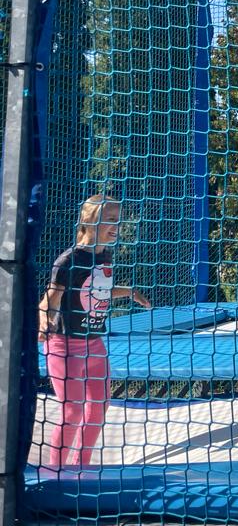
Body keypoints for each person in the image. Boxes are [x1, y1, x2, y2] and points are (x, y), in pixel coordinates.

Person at [38, 195, 151, 468]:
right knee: (73, 410)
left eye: (118, 220)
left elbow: (97, 291)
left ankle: (82, 466)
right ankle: (56, 471)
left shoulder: (104, 256)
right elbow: (50, 299)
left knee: (100, 407)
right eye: (111, 220)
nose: (117, 226)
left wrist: (129, 292)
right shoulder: (69, 260)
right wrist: (44, 321)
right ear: (90, 221)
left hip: (94, 344)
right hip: (65, 345)